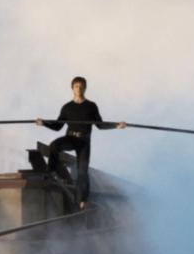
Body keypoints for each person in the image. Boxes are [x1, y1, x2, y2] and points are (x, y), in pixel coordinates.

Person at [35, 76, 126, 209]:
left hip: (83, 142)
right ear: (72, 88)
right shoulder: (67, 107)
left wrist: (116, 125)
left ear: (85, 88)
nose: (79, 89)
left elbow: (100, 125)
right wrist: (43, 123)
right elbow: (57, 126)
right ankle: (52, 172)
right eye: (77, 86)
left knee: (82, 171)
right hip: (71, 139)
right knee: (54, 145)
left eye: (82, 86)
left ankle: (82, 200)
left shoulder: (91, 106)